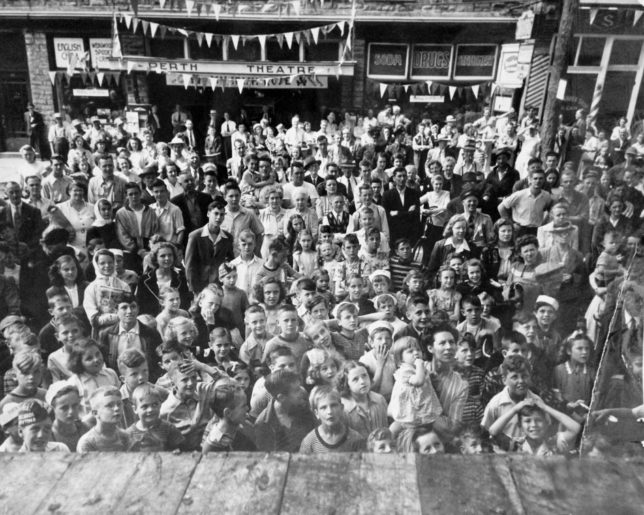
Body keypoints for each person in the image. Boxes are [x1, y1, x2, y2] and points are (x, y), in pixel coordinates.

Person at [184, 198, 234, 293]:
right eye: (215, 213)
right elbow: (190, 265)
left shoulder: (228, 237)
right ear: (208, 214)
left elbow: (230, 261)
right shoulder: (195, 236)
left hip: (219, 285)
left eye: (222, 214)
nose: (218, 217)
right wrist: (194, 289)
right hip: (199, 285)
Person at [299, 385, 364, 453]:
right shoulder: (309, 442)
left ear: (341, 408)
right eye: (323, 408)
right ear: (316, 413)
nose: (329, 411)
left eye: (334, 405)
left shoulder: (356, 439)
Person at [76, 386, 130, 452]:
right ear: (95, 413)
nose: (117, 408)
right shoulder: (88, 443)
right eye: (109, 405)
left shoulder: (125, 437)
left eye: (119, 404)